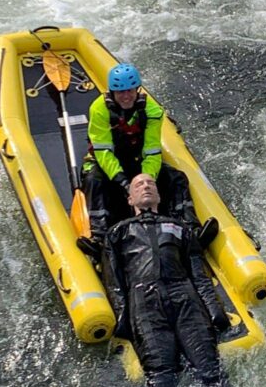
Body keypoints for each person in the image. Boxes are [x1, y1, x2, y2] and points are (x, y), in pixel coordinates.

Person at [102, 173, 230, 387]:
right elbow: (114, 280)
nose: (146, 186)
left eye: (150, 183)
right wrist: (124, 316)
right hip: (144, 302)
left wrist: (212, 307)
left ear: (159, 197)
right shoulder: (117, 233)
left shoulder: (179, 227)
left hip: (183, 296)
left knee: (211, 372)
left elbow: (197, 273)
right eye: (139, 184)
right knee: (162, 380)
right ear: (130, 199)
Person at [80, 62, 199, 252]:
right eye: (120, 92)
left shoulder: (152, 111)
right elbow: (103, 151)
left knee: (176, 178)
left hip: (137, 162)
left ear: (137, 90)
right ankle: (99, 237)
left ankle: (189, 228)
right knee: (94, 180)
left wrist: (146, 180)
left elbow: (151, 151)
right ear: (112, 93)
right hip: (106, 164)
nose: (126, 97)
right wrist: (124, 183)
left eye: (130, 91)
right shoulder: (99, 109)